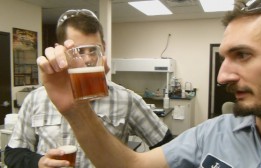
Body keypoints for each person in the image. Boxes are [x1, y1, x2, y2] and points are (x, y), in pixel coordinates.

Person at [36, 0, 261, 167]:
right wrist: (76, 109)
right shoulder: (214, 133)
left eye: (243, 55)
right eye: (224, 58)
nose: (222, 77)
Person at [4, 9, 173, 168]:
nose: (87, 60)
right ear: (60, 51)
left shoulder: (127, 99)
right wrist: (40, 162)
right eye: (77, 52)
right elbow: (13, 153)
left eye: (93, 50)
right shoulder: (36, 99)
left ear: (104, 48)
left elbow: (169, 149)